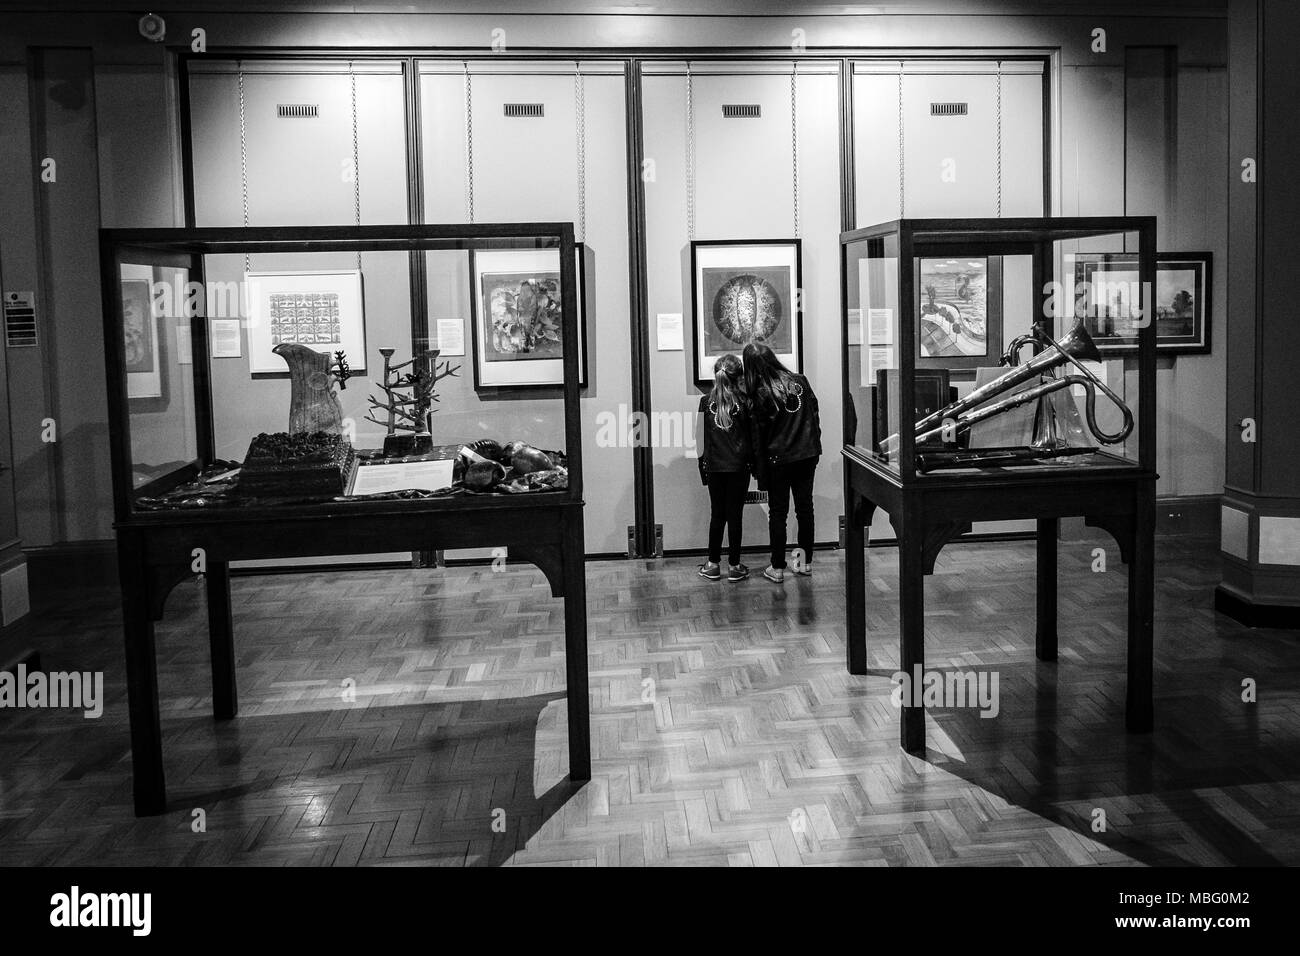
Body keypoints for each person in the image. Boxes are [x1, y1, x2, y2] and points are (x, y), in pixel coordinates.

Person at [744, 342, 821, 584]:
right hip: (807, 454)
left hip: (778, 460)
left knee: (778, 513)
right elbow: (814, 414)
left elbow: (758, 437)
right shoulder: (800, 381)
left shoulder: (760, 392)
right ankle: (803, 563)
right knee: (805, 509)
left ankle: (777, 568)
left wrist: (758, 470)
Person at [697, 354, 752, 583]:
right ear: (739, 376)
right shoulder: (745, 401)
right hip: (739, 467)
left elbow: (699, 439)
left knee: (717, 514)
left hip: (715, 467)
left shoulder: (705, 402)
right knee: (735, 515)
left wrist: (703, 469)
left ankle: (712, 564)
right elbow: (751, 437)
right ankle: (735, 566)